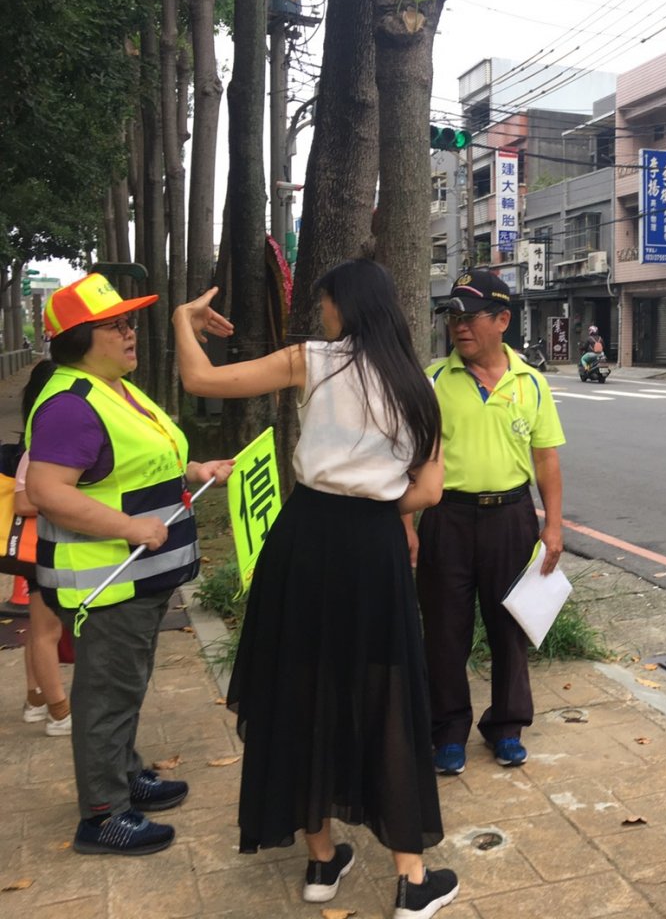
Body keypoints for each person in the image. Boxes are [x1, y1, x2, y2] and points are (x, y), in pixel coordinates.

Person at [172, 259, 459, 918]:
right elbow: (429, 491)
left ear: (342, 306)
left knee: (299, 685)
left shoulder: (312, 361)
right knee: (387, 690)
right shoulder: (419, 385)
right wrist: (374, 509)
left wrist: (184, 320)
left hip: (304, 539)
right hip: (374, 548)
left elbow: (200, 379)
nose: (322, 315)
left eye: (325, 304)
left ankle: (322, 861)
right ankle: (412, 878)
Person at [24, 275, 236, 856]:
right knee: (106, 696)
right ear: (79, 339)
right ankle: (103, 814)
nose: (129, 332)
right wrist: (129, 527)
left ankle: (123, 772)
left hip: (139, 578)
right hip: (108, 583)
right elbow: (46, 490)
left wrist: (197, 470)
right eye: (114, 325)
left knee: (125, 686)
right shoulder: (71, 404)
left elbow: (144, 461)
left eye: (129, 321)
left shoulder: (114, 389)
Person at [419, 268, 565, 776]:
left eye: (471, 316)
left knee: (510, 628)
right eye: (453, 317)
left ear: (502, 320)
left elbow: (546, 459)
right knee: (445, 631)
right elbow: (414, 459)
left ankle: (506, 726)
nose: (459, 326)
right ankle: (447, 731)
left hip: (512, 518)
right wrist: (407, 526)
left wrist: (553, 526)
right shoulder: (433, 381)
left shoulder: (532, 383)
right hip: (447, 518)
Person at [15, 359, 71, 737]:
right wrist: (67, 499)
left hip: (52, 549)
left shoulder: (44, 438)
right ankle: (59, 712)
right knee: (46, 633)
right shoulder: (39, 445)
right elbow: (23, 501)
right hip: (43, 551)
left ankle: (36, 699)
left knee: (40, 630)